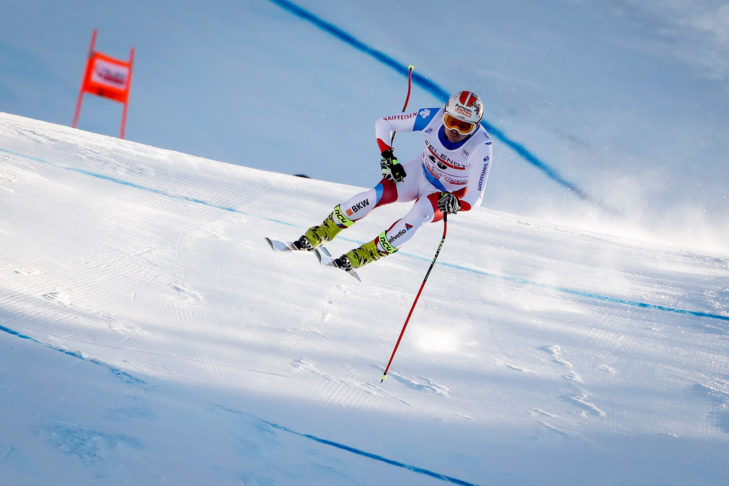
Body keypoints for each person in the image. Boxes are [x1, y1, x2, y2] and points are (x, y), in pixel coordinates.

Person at [294, 90, 493, 271]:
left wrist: (456, 204)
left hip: (444, 194)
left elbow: (476, 196)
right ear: (444, 113)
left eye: (464, 127)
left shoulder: (481, 147)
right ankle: (323, 231)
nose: (455, 130)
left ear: (475, 127)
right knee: (376, 195)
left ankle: (368, 253)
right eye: (451, 121)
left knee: (419, 213)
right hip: (419, 173)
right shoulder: (433, 117)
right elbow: (384, 123)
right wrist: (387, 156)